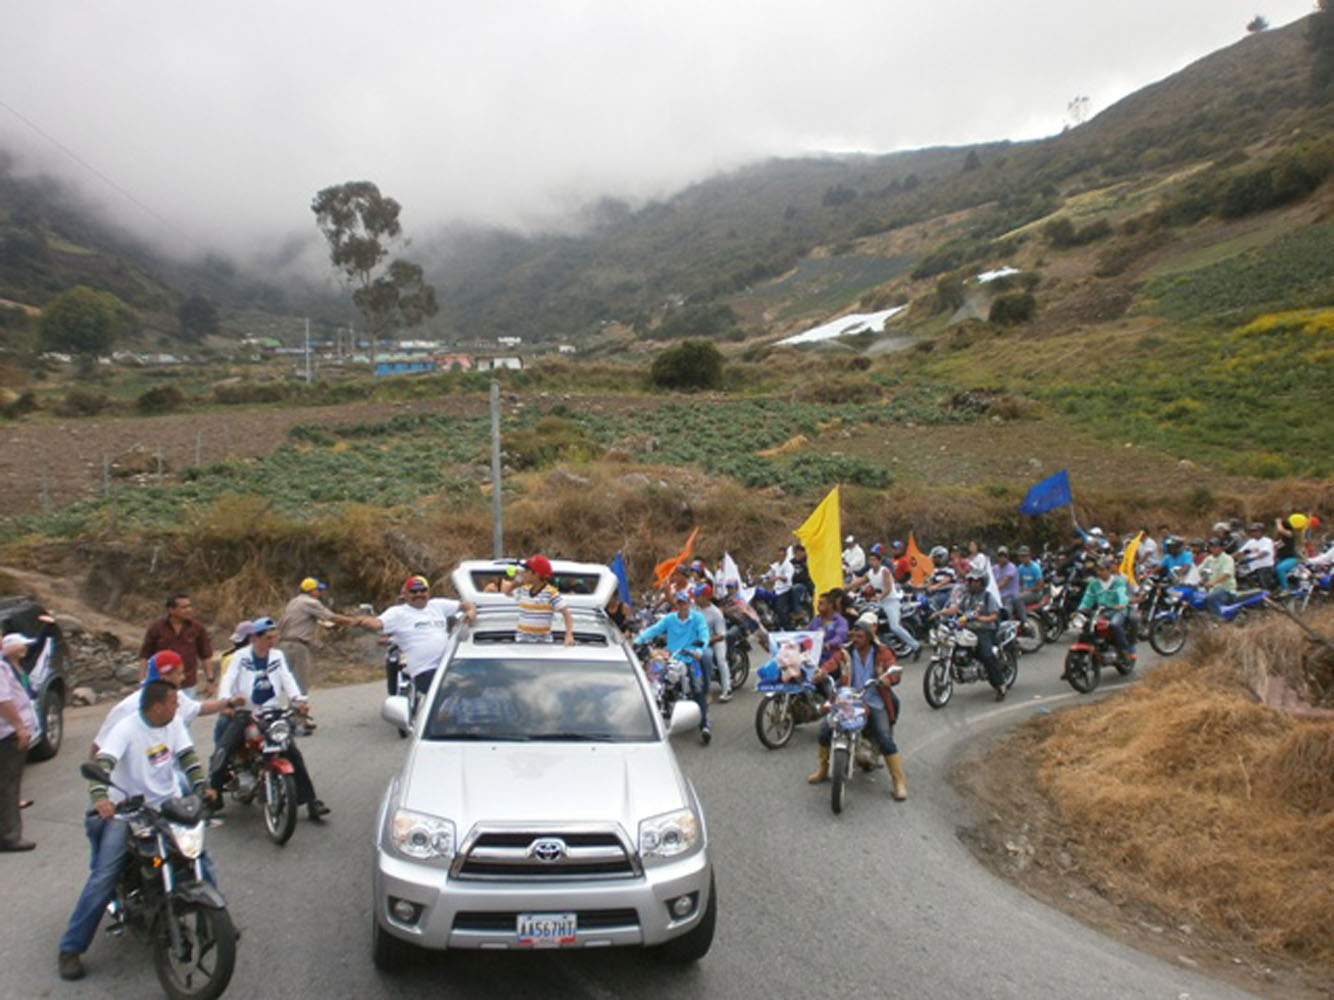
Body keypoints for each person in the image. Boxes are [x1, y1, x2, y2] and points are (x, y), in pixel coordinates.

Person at [56, 680, 218, 981]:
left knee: (198, 856)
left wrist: (202, 787)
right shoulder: (126, 728)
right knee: (104, 877)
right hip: (126, 811)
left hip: (167, 806)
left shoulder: (173, 724)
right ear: (156, 706)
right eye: (173, 701)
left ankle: (217, 924)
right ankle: (70, 949)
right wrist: (101, 797)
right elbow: (102, 762)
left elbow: (188, 758)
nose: (178, 706)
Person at [210, 617, 329, 821]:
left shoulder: (277, 656)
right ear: (255, 637)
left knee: (292, 753)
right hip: (245, 712)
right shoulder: (240, 656)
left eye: (274, 637)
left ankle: (311, 802)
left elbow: (286, 678)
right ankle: (212, 793)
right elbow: (229, 678)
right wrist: (226, 700)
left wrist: (298, 699)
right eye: (267, 638)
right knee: (225, 747)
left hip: (271, 712)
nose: (272, 641)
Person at [806, 612, 907, 800]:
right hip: (849, 700)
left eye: (860, 636)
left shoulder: (882, 651)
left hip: (874, 701)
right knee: (825, 730)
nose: (856, 639)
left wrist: (888, 678)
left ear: (869, 637)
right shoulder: (846, 651)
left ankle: (898, 782)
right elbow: (832, 662)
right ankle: (823, 769)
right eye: (853, 635)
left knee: (885, 737)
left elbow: (894, 668)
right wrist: (822, 672)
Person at [92, 651, 240, 759]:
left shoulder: (177, 701)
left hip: (168, 779)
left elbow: (199, 708)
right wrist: (100, 791)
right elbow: (99, 747)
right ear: (165, 677)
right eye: (178, 674)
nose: (182, 678)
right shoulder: (127, 709)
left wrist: (228, 702)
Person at [356, 575, 477, 696]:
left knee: (474, 683)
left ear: (428, 592)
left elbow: (466, 605)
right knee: (452, 691)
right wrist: (361, 621)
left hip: (449, 665)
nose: (419, 594)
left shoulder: (438, 605)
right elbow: (378, 624)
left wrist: (471, 610)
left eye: (423, 590)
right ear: (405, 595)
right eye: (413, 591)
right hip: (425, 671)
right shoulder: (397, 613)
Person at [635, 591, 712, 744]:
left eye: (684, 603)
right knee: (655, 684)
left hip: (691, 659)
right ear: (676, 605)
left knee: (697, 688)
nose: (682, 606)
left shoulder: (697, 618)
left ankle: (704, 725)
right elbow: (654, 629)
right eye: (679, 603)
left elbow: (704, 634)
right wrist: (638, 640)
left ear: (689, 604)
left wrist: (699, 650)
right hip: (672, 658)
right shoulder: (670, 619)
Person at [277, 577, 361, 698]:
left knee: (284, 681)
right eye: (318, 589)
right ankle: (298, 712)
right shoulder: (311, 602)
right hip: (298, 646)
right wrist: (355, 621)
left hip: (283, 645)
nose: (320, 592)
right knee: (300, 682)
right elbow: (332, 617)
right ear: (311, 590)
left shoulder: (293, 602)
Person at [0, 632, 40, 852]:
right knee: (8, 785)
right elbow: (3, 700)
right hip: (6, 733)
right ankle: (9, 836)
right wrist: (19, 726)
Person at [944, 569, 1009, 700]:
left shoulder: (987, 596)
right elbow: (957, 609)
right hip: (967, 629)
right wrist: (941, 613)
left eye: (977, 581)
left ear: (982, 582)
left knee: (987, 655)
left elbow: (994, 616)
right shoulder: (967, 596)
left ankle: (1001, 686)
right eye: (971, 581)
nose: (973, 584)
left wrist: (980, 619)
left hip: (984, 629)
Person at [852, 544, 921, 659]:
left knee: (894, 626)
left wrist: (880, 597)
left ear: (879, 561)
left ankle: (916, 646)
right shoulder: (869, 573)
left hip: (891, 601)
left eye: (874, 560)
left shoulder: (885, 571)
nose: (871, 562)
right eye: (870, 560)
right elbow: (858, 582)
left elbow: (888, 588)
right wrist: (844, 587)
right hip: (878, 603)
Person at [138, 594, 214, 698]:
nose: (189, 610)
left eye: (189, 606)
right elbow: (145, 655)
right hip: (161, 685)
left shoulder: (197, 628)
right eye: (184, 607)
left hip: (188, 685)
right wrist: (142, 681)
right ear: (171, 610)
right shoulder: (156, 628)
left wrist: (210, 680)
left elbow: (206, 655)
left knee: (186, 713)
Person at [1075, 557, 1135, 661]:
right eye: (1097, 570)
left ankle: (1124, 651)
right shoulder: (1093, 584)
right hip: (1101, 611)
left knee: (1114, 625)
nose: (1099, 573)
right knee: (1087, 626)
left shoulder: (1118, 582)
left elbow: (1122, 594)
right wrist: (1080, 610)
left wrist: (1121, 604)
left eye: (1102, 570)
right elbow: (1087, 598)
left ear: (1109, 570)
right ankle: (1077, 658)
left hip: (1118, 611)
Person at [509, 555, 574, 645]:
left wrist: (568, 635)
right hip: (521, 642)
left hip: (543, 644)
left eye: (526, 571)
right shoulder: (523, 589)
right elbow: (507, 592)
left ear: (536, 574)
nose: (524, 573)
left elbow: (566, 614)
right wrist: (516, 582)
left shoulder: (550, 592)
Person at [692, 583, 732, 703]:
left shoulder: (716, 613)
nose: (695, 598)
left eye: (698, 596)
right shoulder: (694, 609)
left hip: (715, 640)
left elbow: (721, 635)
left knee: (720, 660)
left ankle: (727, 689)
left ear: (706, 597)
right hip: (700, 641)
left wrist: (708, 641)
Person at [807, 590, 849, 674]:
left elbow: (840, 637)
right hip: (815, 661)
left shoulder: (840, 621)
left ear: (830, 605)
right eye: (818, 603)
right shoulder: (815, 621)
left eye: (821, 603)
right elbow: (808, 636)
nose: (818, 606)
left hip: (834, 662)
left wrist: (828, 644)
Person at [1198, 537, 1238, 618]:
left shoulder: (1227, 559)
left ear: (1221, 548)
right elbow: (1199, 570)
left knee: (1210, 599)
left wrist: (1213, 582)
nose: (1213, 549)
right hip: (1212, 589)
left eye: (1215, 547)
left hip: (1226, 590)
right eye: (1211, 547)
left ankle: (1219, 620)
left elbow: (1227, 574)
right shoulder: (1209, 559)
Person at [1235, 522, 1277, 590]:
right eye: (1252, 531)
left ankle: (1269, 595)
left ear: (1262, 531)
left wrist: (1250, 559)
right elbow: (1240, 552)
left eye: (1255, 531)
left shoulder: (1267, 541)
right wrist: (1228, 558)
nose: (1253, 533)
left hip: (1264, 566)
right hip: (1253, 567)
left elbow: (1264, 553)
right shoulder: (1251, 541)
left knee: (1264, 585)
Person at [766, 545, 796, 629]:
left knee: (780, 609)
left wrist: (778, 577)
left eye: (781, 553)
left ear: (785, 554)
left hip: (785, 590)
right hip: (776, 589)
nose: (779, 555)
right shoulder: (776, 565)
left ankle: (788, 628)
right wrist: (758, 577)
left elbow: (787, 578)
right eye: (778, 553)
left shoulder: (789, 565)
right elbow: (769, 574)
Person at [993, 546, 1024, 624]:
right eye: (1000, 556)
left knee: (1006, 612)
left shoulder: (1011, 567)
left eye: (1004, 556)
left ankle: (1009, 629)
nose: (1002, 558)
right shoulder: (995, 568)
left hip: (1010, 596)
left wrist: (994, 590)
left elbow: (1005, 581)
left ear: (1007, 557)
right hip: (998, 596)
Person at [1274, 516, 1302, 592]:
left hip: (1291, 559)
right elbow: (1275, 548)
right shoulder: (1280, 539)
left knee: (1280, 569)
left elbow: (1280, 530)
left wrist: (1278, 522)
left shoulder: (1290, 534)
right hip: (1280, 559)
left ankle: (1286, 588)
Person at [1016, 546, 1043, 610]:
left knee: (1019, 599)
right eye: (1021, 556)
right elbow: (1019, 583)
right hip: (1025, 592)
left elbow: (1039, 587)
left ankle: (1023, 618)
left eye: (1024, 556)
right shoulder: (1020, 568)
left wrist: (1025, 590)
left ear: (1029, 556)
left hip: (1036, 594)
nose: (1023, 558)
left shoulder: (1035, 568)